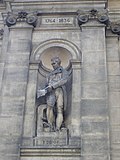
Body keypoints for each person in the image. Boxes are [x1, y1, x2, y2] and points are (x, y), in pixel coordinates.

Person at [43, 56, 69, 131]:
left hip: (59, 90)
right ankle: (50, 125)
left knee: (59, 108)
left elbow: (64, 80)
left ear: (58, 62)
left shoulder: (63, 71)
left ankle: (58, 127)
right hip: (50, 92)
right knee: (49, 107)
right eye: (52, 64)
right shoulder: (49, 74)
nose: (52, 65)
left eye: (54, 63)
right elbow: (47, 83)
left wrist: (54, 86)